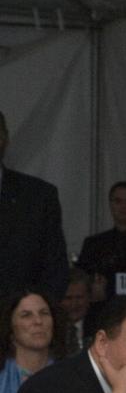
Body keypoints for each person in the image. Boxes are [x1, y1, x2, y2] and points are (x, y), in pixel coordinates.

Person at [0, 110, 69, 301]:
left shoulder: (38, 196)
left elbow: (55, 266)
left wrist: (37, 313)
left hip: (21, 317)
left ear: (4, 139)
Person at [0, 289, 63, 393]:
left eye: (44, 313)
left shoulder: (70, 377)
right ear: (10, 326)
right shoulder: (2, 377)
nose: (38, 321)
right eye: (26, 315)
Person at [61, 267, 93, 351]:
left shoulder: (99, 328)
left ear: (89, 298)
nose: (74, 304)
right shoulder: (50, 329)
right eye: (68, 298)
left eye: (79, 297)